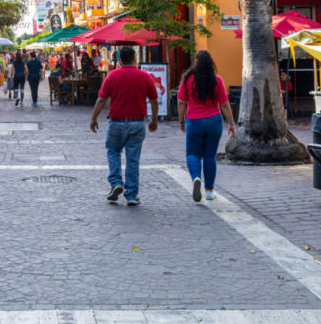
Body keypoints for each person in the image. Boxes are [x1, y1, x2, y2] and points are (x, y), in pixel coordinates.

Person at [90, 45, 159, 206]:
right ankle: (131, 195)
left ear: (120, 60)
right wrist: (154, 119)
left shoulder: (112, 76)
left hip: (117, 123)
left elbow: (101, 100)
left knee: (113, 152)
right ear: (135, 58)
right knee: (133, 159)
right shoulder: (145, 76)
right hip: (137, 123)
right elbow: (154, 100)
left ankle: (116, 183)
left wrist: (94, 118)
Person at [176, 50, 237, 203]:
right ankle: (209, 191)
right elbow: (224, 104)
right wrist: (231, 123)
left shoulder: (187, 79)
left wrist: (181, 120)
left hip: (194, 121)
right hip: (213, 121)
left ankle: (196, 177)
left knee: (192, 154)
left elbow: (181, 102)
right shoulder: (217, 80)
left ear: (195, 62)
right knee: (210, 156)